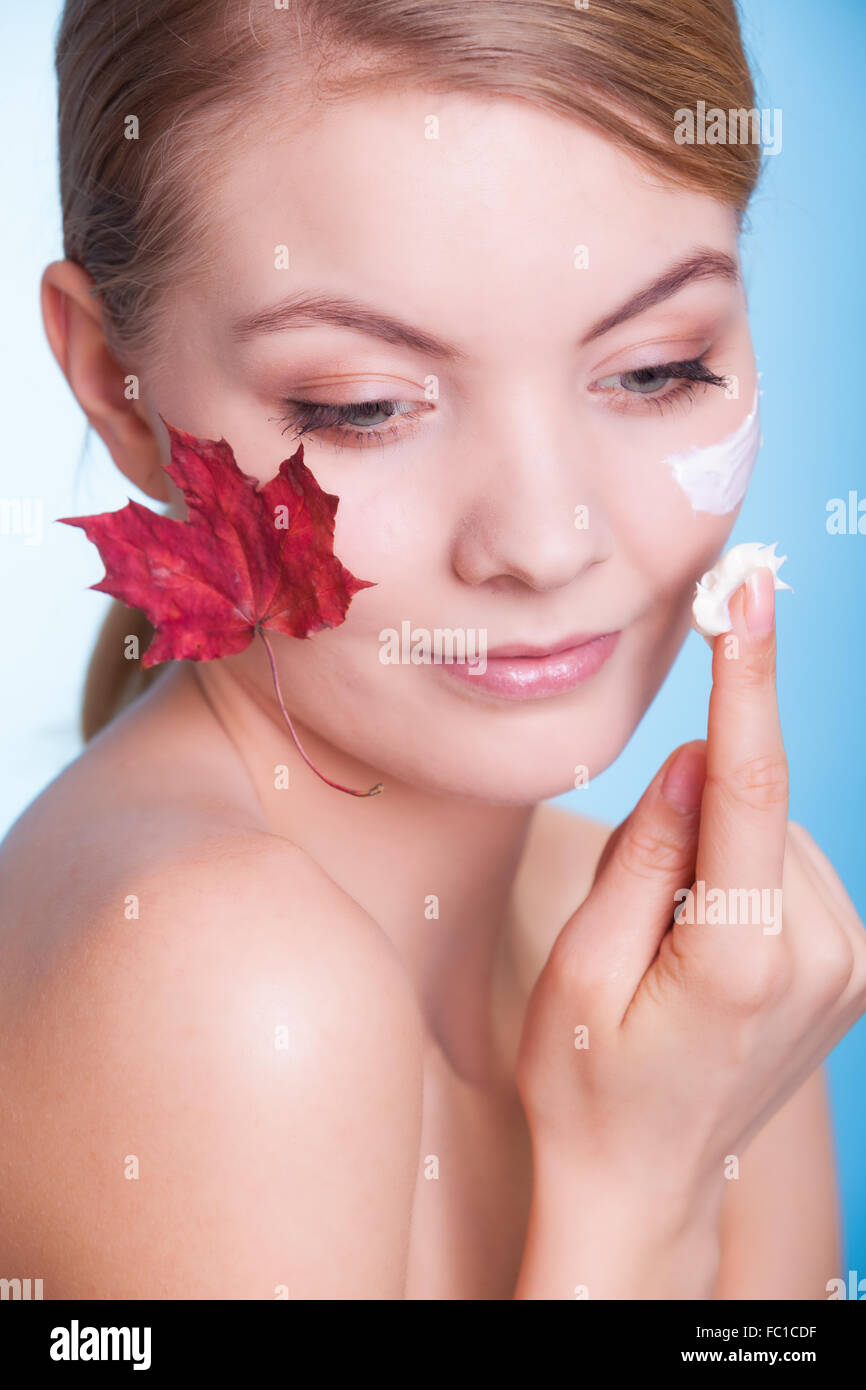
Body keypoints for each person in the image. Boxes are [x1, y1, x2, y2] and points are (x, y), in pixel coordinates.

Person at [0, 0, 862, 1299]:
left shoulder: (687, 981)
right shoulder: (224, 989)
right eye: (364, 407)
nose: (541, 541)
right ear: (117, 379)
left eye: (653, 369)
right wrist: (639, 1192)